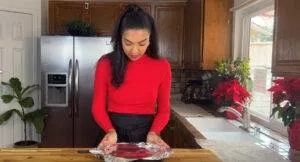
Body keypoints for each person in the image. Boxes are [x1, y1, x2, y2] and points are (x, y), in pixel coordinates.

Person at [92, 4, 171, 149]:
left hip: (147, 135)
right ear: (119, 38)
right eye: (128, 43)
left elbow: (164, 110)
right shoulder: (105, 64)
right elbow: (98, 107)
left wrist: (154, 132)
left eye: (142, 43)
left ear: (150, 39)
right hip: (113, 134)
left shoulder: (162, 66)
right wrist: (109, 131)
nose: (135, 50)